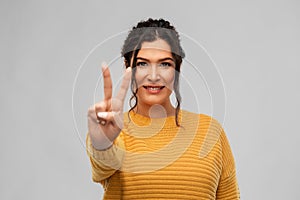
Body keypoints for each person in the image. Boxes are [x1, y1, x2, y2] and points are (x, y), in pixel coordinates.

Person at [86, 18, 240, 199]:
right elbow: (102, 166)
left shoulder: (210, 131)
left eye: (165, 64)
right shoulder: (113, 129)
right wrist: (102, 143)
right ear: (128, 68)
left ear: (177, 70)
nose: (153, 76)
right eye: (142, 63)